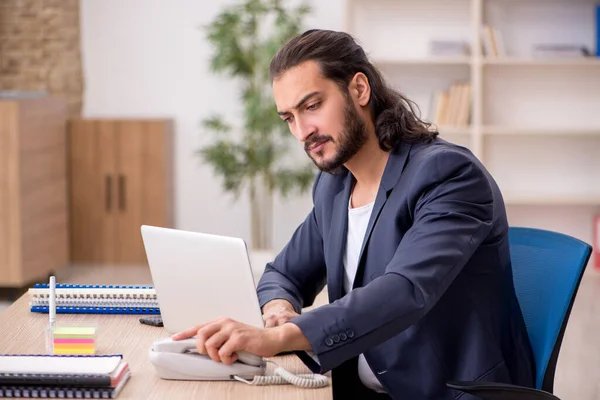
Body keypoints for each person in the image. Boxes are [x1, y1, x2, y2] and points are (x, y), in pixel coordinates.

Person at [172, 29, 535, 399]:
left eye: (312, 106)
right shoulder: (335, 186)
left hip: (447, 393)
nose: (302, 131)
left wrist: (280, 337)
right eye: (289, 118)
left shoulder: (448, 175)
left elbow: (405, 289)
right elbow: (284, 273)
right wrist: (279, 309)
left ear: (359, 89)